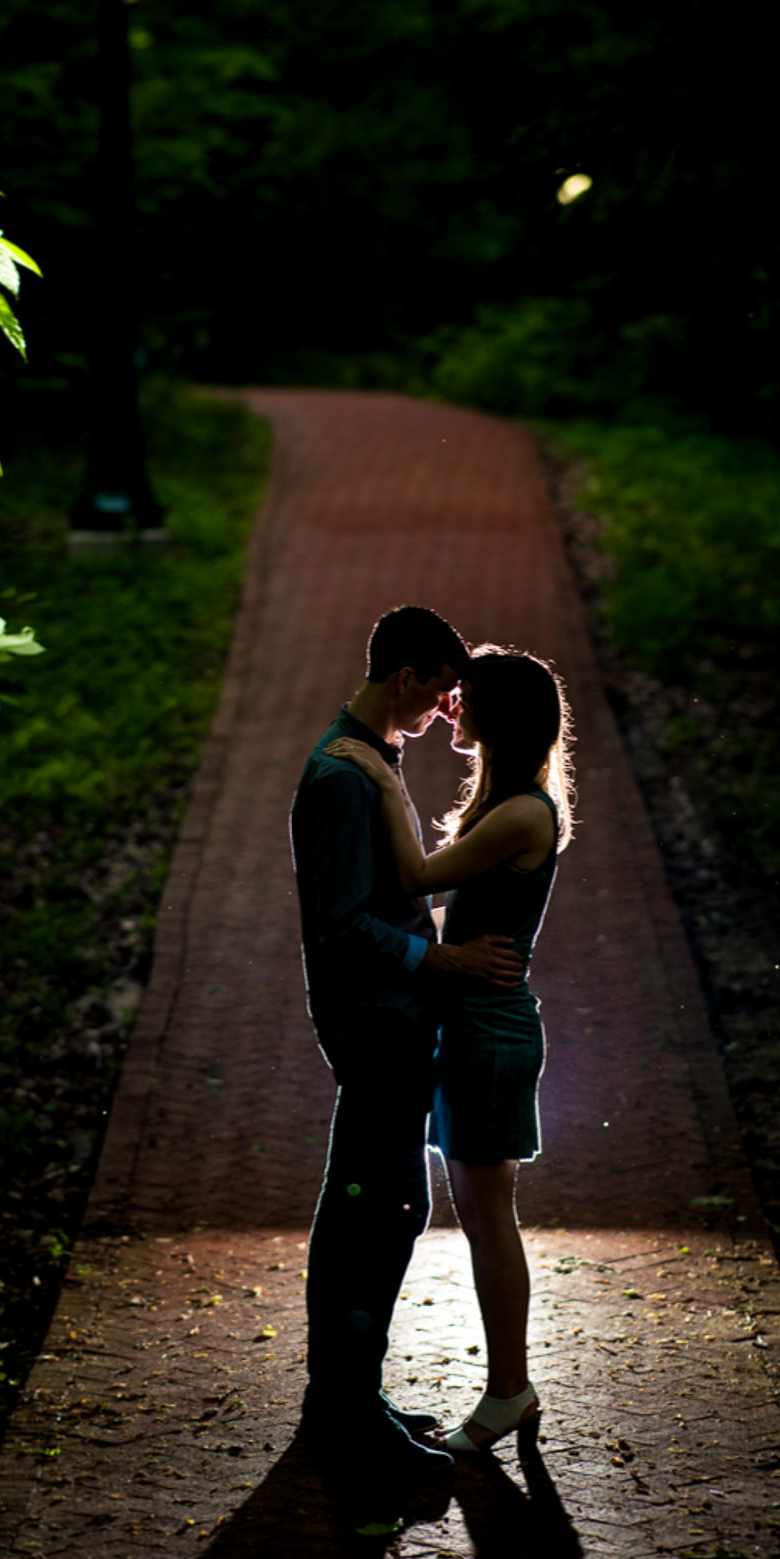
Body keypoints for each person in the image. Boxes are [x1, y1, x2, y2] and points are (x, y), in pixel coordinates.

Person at [292, 605, 522, 1478]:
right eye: (441, 690)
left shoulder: (370, 762)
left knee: (383, 1206)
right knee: (371, 1210)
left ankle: (351, 1397)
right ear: (406, 679)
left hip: (393, 1016)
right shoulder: (343, 778)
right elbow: (343, 924)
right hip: (375, 1022)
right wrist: (444, 957)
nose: (446, 709)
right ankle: (345, 1413)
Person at [329, 644, 574, 1458]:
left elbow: (413, 876)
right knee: (479, 1214)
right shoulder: (509, 805)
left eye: (465, 698)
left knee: (487, 1217)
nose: (451, 708)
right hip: (473, 1023)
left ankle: (510, 1390)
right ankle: (512, 1388)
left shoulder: (523, 811)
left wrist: (379, 771)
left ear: (499, 715)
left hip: (492, 1029)